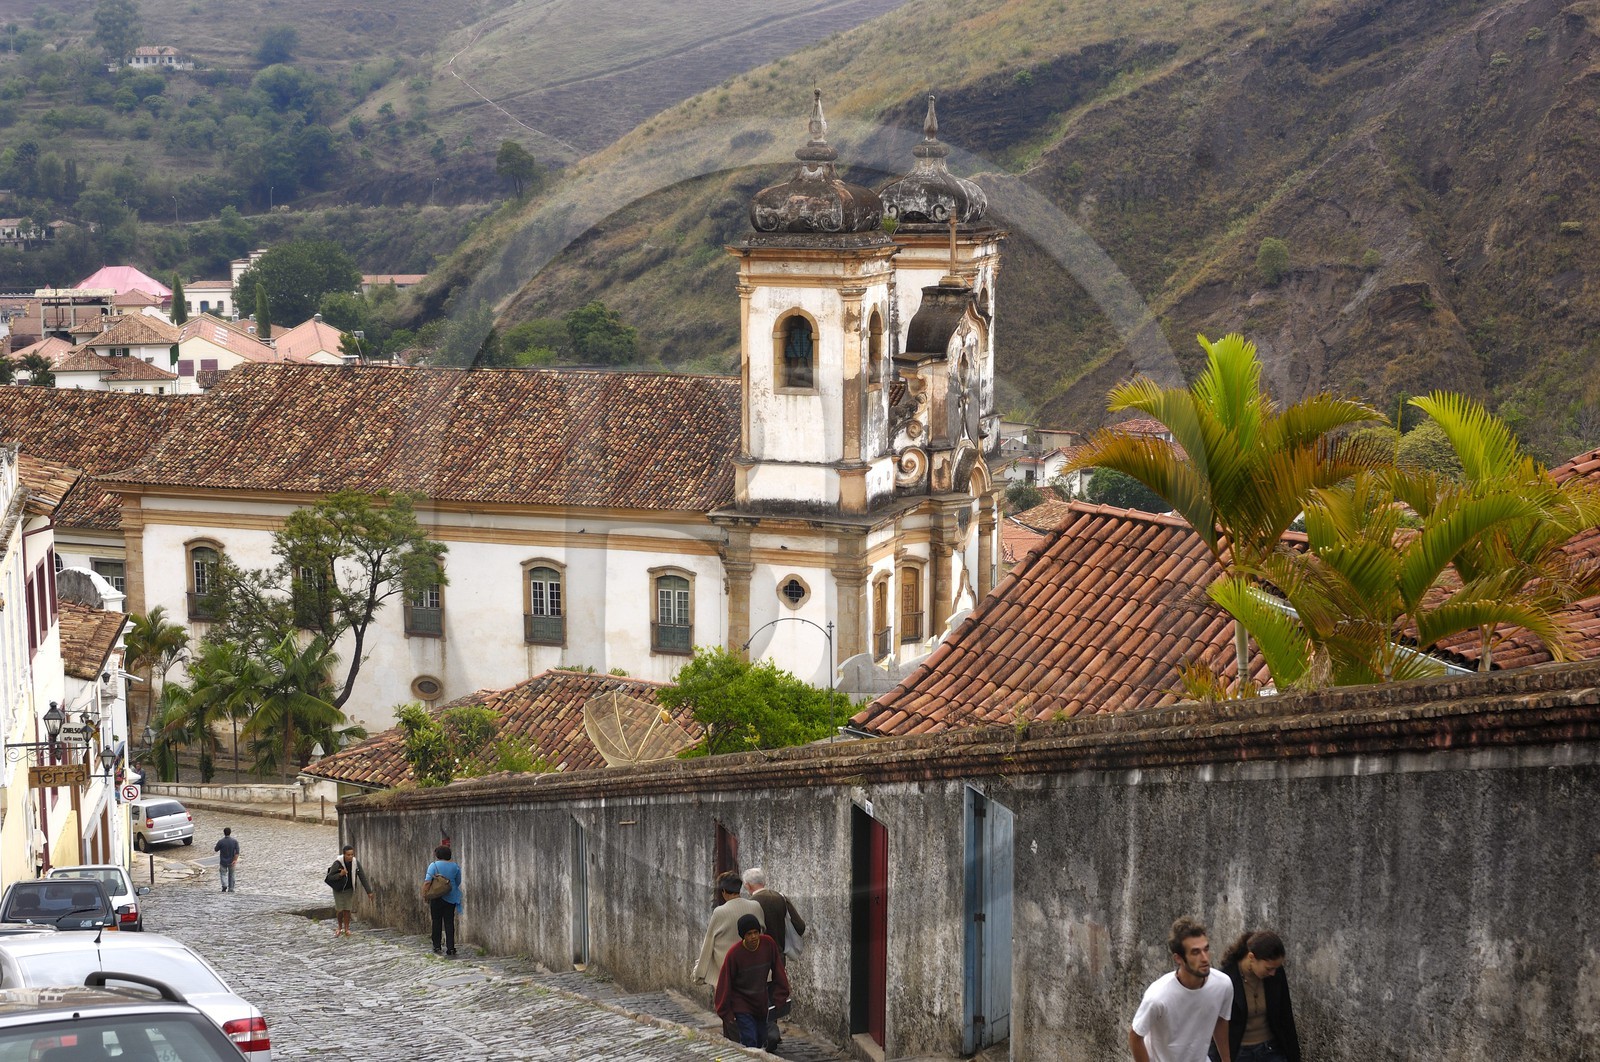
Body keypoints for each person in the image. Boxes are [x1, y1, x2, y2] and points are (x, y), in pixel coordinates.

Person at [1130, 917, 1234, 1062]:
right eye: (1195, 952)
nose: (1205, 958)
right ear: (1178, 958)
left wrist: (1226, 1059)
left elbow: (1221, 1021)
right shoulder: (1158, 996)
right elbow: (1135, 1036)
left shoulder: (1223, 984)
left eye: (1206, 949)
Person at [1210, 931, 1301, 1062]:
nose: (1273, 973)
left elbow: (1286, 1017)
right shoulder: (1226, 979)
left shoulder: (1276, 975)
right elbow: (1217, 1025)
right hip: (1239, 1053)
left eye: (1276, 968)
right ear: (1251, 957)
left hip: (1272, 1050)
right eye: (1268, 968)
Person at [714, 913, 790, 1049]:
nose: (753, 937)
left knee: (762, 1038)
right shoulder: (734, 954)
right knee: (750, 1039)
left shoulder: (768, 944)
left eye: (756, 932)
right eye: (749, 934)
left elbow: (779, 972)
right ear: (743, 936)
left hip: (761, 1002)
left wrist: (780, 996)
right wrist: (726, 1012)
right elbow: (725, 984)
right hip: (742, 1003)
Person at [692, 872, 764, 985]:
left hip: (727, 972)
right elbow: (763, 934)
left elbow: (708, 943)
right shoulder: (756, 906)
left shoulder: (720, 912)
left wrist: (699, 974)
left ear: (724, 891)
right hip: (753, 968)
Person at [743, 867, 806, 957]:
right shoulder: (781, 898)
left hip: (759, 957)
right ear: (764, 882)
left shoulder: (750, 903)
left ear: (747, 885)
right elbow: (800, 926)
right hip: (779, 955)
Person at [423, 844, 463, 956]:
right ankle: (451, 947)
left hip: (436, 897)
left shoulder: (433, 865)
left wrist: (425, 894)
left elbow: (427, 882)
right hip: (451, 897)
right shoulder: (455, 866)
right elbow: (458, 881)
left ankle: (437, 945)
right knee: (449, 922)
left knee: (436, 921)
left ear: (438, 855)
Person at [326, 844, 373, 937]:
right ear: (344, 854)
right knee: (340, 909)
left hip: (349, 889)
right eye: (348, 855)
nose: (350, 856)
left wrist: (369, 891)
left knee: (347, 909)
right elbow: (329, 877)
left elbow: (362, 877)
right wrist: (340, 874)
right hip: (338, 889)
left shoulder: (355, 863)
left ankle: (347, 928)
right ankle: (340, 927)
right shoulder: (337, 863)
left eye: (352, 854)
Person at [213, 827, 240, 893]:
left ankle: (224, 885)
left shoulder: (221, 841)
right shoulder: (234, 841)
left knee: (223, 874)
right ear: (230, 832)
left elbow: (216, 849)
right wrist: (235, 860)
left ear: (224, 833)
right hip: (232, 861)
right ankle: (231, 888)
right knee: (232, 875)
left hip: (223, 861)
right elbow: (237, 852)